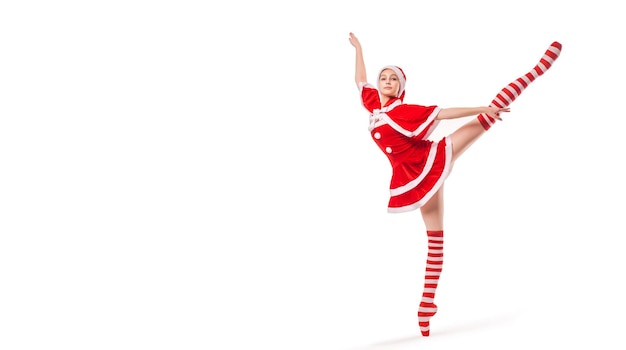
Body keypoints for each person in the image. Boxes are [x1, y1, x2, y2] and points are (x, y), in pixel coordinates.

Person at [348, 32, 561, 336]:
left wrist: (480, 108)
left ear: (400, 89)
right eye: (383, 76)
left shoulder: (403, 112)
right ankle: (426, 304)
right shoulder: (372, 105)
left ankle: (536, 69)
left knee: (483, 122)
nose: (385, 80)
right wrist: (359, 48)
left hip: (431, 158)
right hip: (414, 178)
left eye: (393, 79)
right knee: (435, 239)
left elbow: (444, 113)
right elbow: (360, 80)